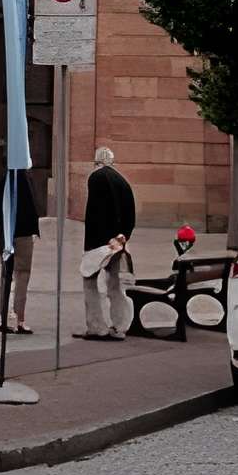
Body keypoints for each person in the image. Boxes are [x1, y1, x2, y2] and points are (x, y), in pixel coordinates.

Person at [78, 144, 135, 339]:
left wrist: (93, 245)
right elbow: (129, 214)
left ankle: (96, 327)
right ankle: (120, 327)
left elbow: (96, 212)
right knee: (115, 284)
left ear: (97, 162)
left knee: (89, 281)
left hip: (99, 242)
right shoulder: (122, 180)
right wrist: (122, 237)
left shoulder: (96, 177)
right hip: (118, 241)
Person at [0, 163, 40, 334]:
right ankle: (19, 320)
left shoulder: (4, 180)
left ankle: (3, 318)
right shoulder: (26, 180)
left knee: (6, 275)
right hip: (24, 234)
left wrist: (2, 226)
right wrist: (33, 229)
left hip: (7, 235)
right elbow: (33, 208)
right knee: (22, 275)